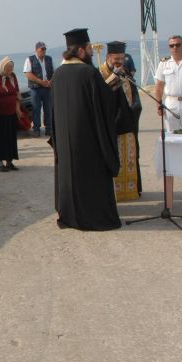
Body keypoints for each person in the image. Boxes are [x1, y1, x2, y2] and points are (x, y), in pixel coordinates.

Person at [50, 28, 121, 231]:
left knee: (70, 177)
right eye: (89, 49)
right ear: (80, 51)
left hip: (64, 140)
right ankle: (92, 215)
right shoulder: (88, 73)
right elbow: (104, 103)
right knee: (91, 176)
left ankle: (70, 214)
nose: (91, 52)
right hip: (88, 138)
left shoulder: (57, 74)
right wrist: (114, 89)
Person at [99, 42, 142, 202]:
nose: (119, 62)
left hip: (127, 122)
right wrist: (114, 77)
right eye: (116, 58)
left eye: (122, 58)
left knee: (130, 156)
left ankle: (130, 189)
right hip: (111, 123)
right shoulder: (100, 73)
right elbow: (101, 94)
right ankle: (114, 192)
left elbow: (133, 94)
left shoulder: (125, 72)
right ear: (108, 57)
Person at [22, 41, 53, 137]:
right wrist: (40, 81)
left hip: (47, 88)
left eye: (45, 49)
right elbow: (27, 73)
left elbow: (55, 71)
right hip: (35, 89)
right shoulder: (30, 59)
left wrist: (51, 81)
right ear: (36, 50)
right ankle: (36, 129)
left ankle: (49, 128)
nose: (44, 51)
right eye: (42, 49)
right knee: (36, 109)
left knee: (48, 109)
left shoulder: (49, 59)